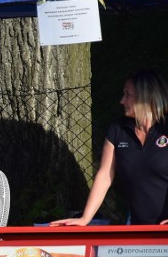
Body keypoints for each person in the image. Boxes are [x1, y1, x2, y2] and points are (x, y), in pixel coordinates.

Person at [51, 69, 168, 227]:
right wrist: (85, 219)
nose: (122, 101)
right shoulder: (118, 129)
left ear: (145, 97)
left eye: (128, 95)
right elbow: (105, 175)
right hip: (136, 226)